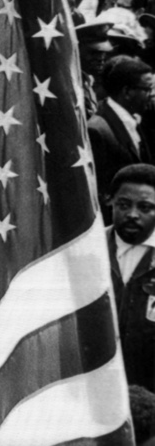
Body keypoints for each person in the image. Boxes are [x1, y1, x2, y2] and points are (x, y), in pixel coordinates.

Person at [107, 164, 155, 392]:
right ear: (110, 202)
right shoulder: (87, 250)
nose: (133, 214)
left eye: (145, 207)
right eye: (124, 205)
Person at [88, 56, 155, 218]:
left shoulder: (134, 120)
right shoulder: (97, 130)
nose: (152, 95)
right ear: (127, 92)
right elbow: (99, 192)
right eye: (147, 89)